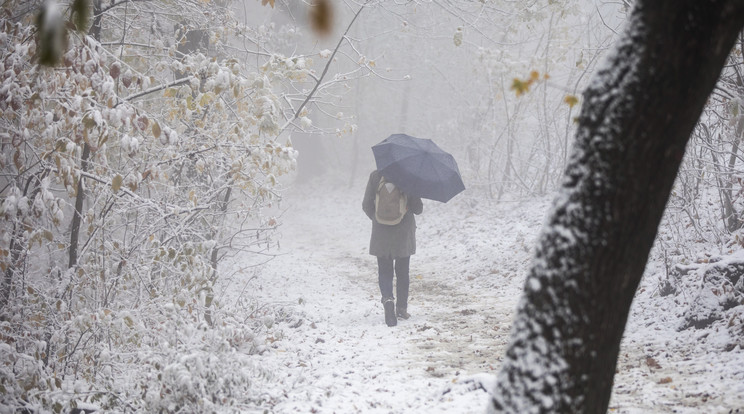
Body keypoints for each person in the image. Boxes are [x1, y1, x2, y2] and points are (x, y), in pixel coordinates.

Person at [362, 170, 423, 327]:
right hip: (403, 233)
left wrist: (378, 219)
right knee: (403, 272)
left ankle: (388, 301)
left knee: (384, 270)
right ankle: (401, 308)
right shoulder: (409, 175)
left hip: (381, 233)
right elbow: (417, 208)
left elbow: (366, 204)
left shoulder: (376, 176)